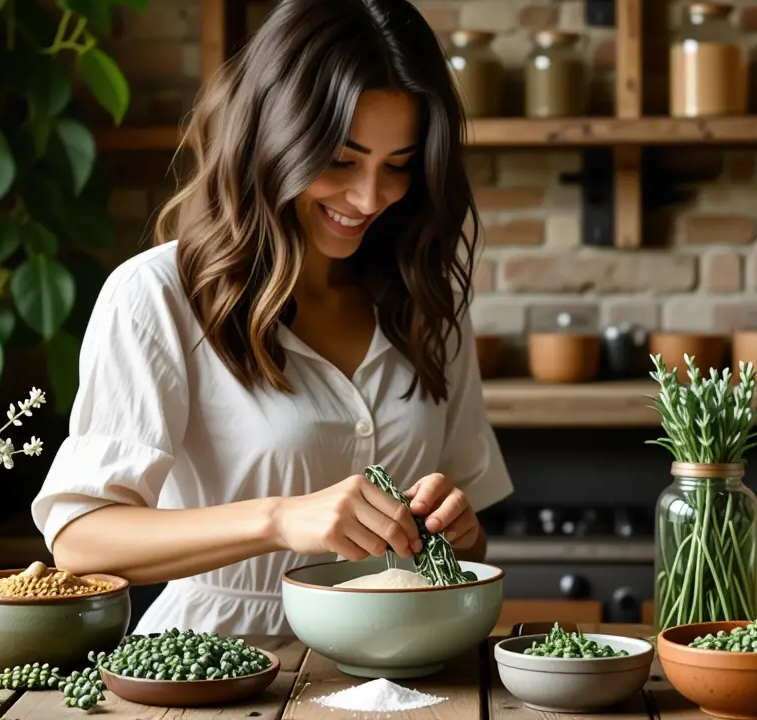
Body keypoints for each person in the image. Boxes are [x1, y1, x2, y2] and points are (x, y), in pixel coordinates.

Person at [29, 0, 514, 637]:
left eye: (398, 166)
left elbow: (466, 542)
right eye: (341, 160)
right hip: (222, 670)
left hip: (408, 666)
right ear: (275, 139)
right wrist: (279, 519)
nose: (370, 198)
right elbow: (81, 538)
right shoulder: (157, 295)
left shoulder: (425, 300)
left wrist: (461, 533)